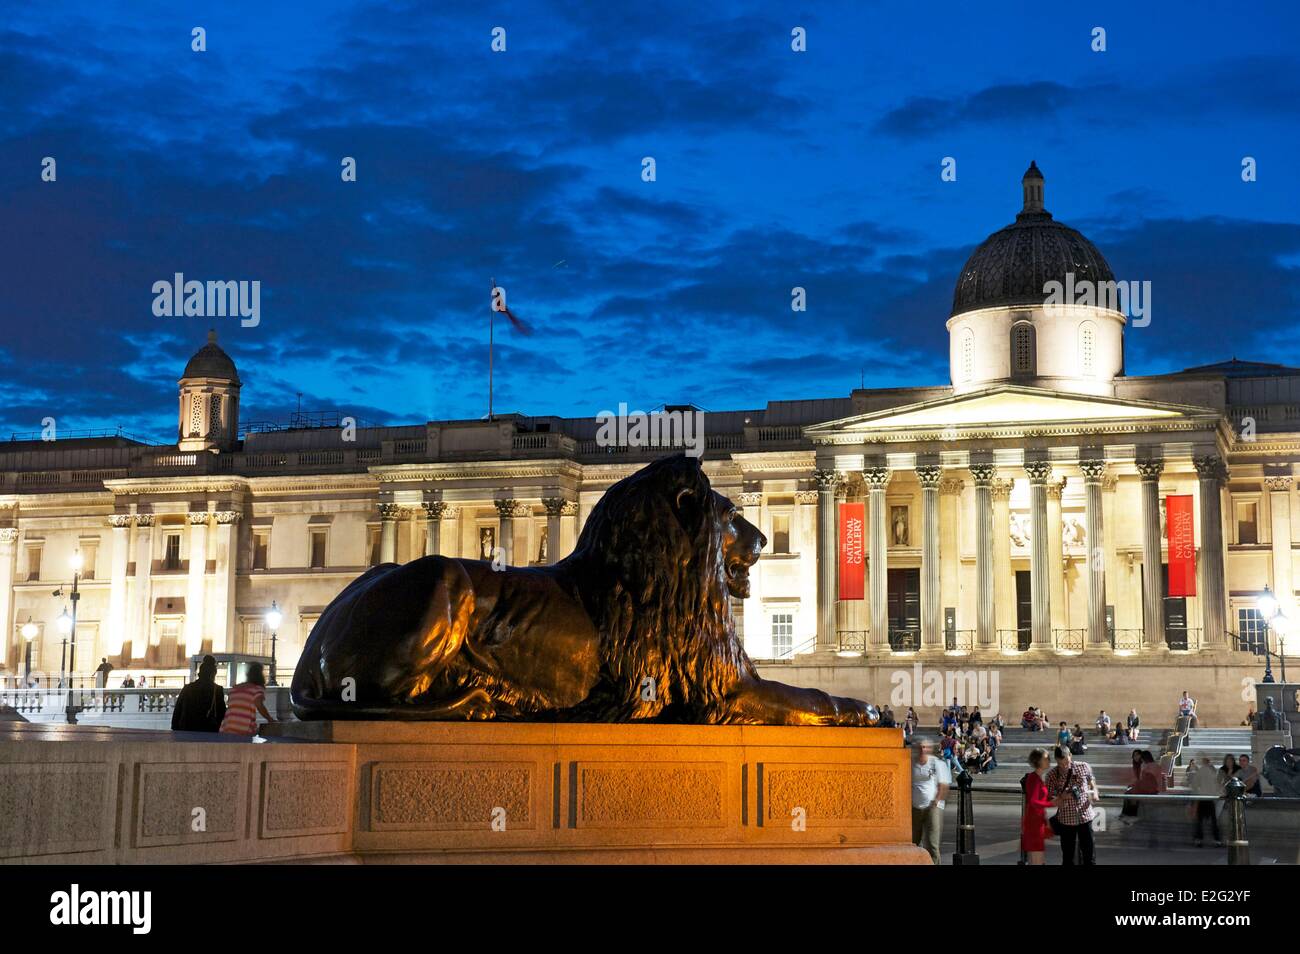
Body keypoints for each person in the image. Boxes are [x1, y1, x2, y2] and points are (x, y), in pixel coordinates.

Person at [1045, 745, 1100, 865]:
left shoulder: (1083, 766)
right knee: (1068, 856)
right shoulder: (1052, 775)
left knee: (1089, 854)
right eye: (1061, 764)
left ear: (1070, 756)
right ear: (1056, 760)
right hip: (1066, 820)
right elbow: (1048, 798)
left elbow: (1092, 781)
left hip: (1085, 816)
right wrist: (1061, 797)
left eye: (1066, 763)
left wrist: (1095, 791)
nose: (1064, 766)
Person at [911, 741, 951, 865]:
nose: (923, 749)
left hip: (932, 807)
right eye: (921, 747)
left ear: (930, 749)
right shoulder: (911, 764)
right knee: (914, 842)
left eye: (926, 747)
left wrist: (937, 801)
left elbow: (943, 785)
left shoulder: (937, 764)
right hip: (915, 807)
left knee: (932, 843)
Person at [171, 654, 226, 733]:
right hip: (208, 732)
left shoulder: (188, 688)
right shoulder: (217, 690)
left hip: (187, 731)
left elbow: (177, 712)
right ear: (213, 674)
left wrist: (176, 730)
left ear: (200, 672)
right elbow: (221, 713)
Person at [218, 662, 274, 736]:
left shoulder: (235, 688)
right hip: (244, 728)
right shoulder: (257, 689)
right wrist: (270, 719)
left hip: (227, 727)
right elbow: (259, 705)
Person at [1021, 748, 1055, 865]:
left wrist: (1046, 821)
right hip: (1033, 823)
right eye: (1046, 758)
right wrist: (1053, 803)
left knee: (1036, 859)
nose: (1049, 760)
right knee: (1037, 860)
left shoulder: (1037, 778)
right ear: (1038, 761)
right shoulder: (1034, 778)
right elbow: (1034, 802)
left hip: (1037, 822)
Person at [1192, 756, 1223, 847]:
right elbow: (1217, 784)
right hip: (1211, 798)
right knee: (1213, 820)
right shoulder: (1213, 770)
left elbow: (1195, 784)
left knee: (1199, 820)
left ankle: (1199, 839)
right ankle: (1217, 839)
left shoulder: (1201, 771)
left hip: (1202, 797)